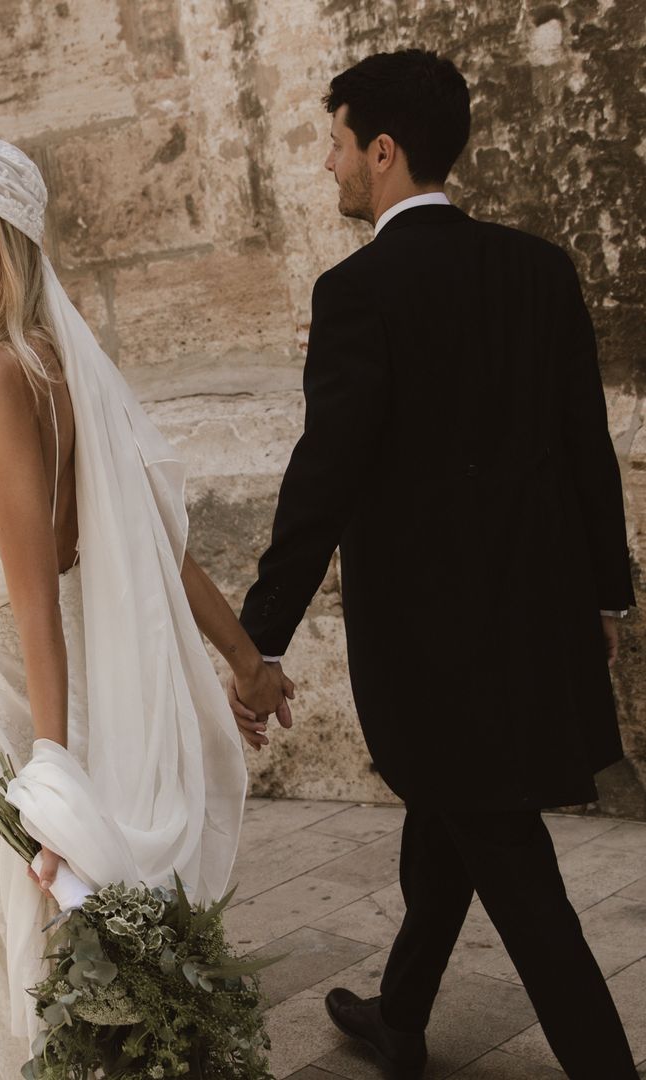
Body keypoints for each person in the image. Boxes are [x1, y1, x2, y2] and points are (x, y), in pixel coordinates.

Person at [231, 49, 637, 1080]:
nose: (326, 166)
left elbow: (322, 481)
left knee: (510, 861)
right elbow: (585, 447)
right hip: (534, 625)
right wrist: (607, 598)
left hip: (429, 655)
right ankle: (400, 1016)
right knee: (453, 817)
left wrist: (255, 637)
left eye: (333, 143)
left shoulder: (359, 292)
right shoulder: (538, 268)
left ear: (383, 148)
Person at [0, 137, 290, 1080]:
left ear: (17, 243)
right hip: (34, 690)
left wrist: (52, 771)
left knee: (4, 966)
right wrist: (246, 662)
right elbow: (154, 546)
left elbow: (35, 588)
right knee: (50, 954)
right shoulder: (55, 363)